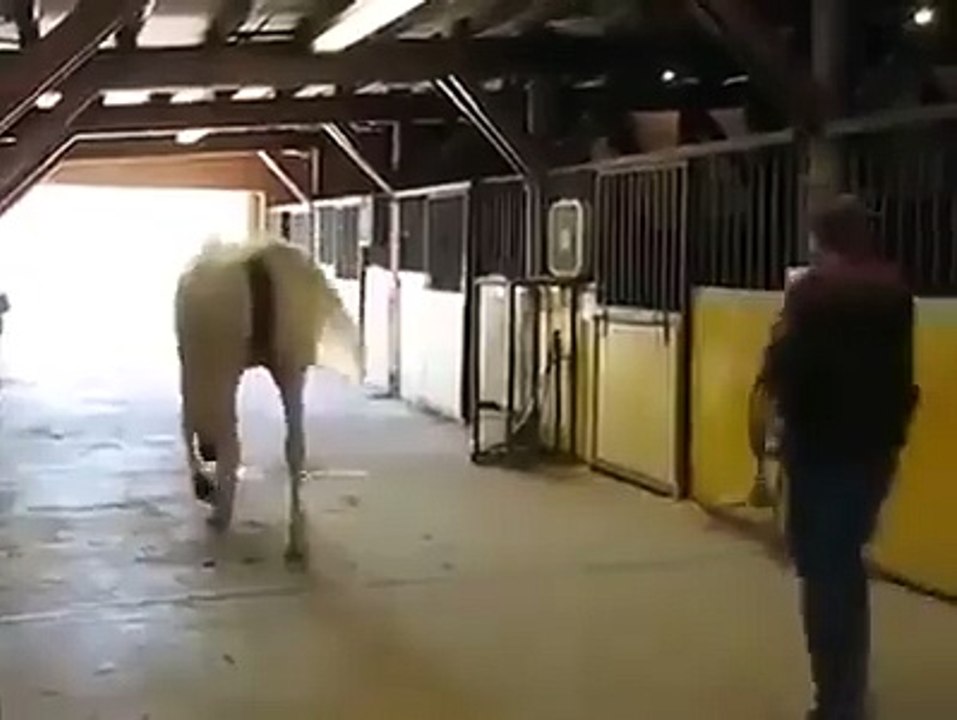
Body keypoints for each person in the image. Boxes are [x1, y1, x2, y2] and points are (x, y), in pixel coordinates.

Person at [759, 194, 919, 720]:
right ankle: (849, 689)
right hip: (874, 448)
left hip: (818, 447)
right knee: (846, 563)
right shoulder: (895, 292)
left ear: (821, 237)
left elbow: (787, 369)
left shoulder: (812, 293)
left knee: (821, 571)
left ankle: (836, 699)